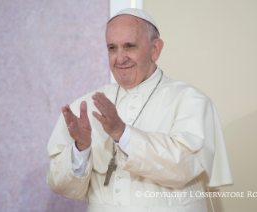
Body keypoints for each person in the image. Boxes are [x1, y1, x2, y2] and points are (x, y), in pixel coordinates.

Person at [46, 8, 233, 212]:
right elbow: (61, 186)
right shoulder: (87, 105)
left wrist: (122, 133)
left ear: (155, 50)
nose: (119, 58)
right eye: (112, 48)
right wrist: (81, 148)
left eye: (129, 46)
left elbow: (183, 167)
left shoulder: (191, 100)